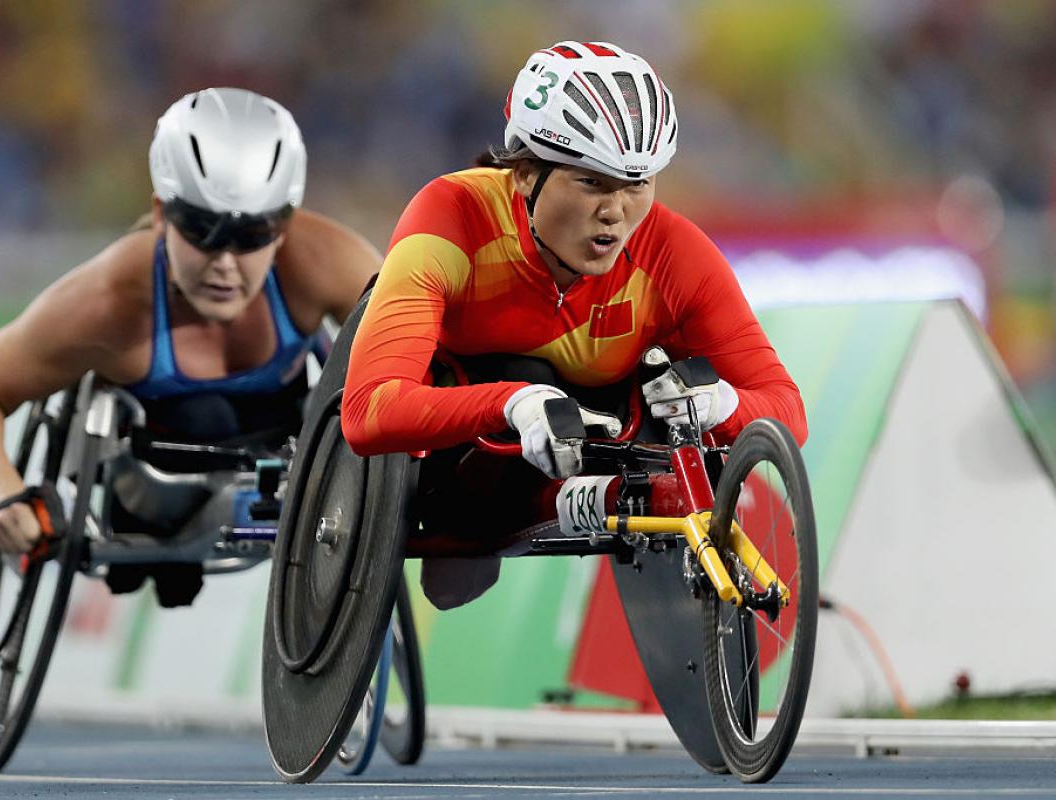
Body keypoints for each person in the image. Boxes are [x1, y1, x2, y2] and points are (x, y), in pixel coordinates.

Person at [340, 41, 807, 610]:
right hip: (455, 454)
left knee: (671, 390)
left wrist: (725, 405)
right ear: (524, 173)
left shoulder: (675, 254)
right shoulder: (452, 216)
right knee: (522, 369)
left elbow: (787, 411)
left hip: (596, 439)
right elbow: (367, 412)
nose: (616, 211)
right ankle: (479, 516)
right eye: (591, 182)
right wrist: (513, 402)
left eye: (637, 183)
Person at [0, 88, 381, 606]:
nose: (224, 262)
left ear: (282, 230)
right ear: (161, 214)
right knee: (207, 413)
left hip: (285, 442)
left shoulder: (326, 261)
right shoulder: (105, 301)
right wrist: (1, 494)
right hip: (153, 467)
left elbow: (423, 355)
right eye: (201, 231)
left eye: (250, 237)